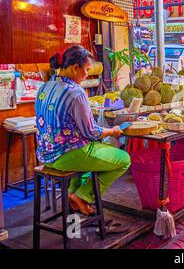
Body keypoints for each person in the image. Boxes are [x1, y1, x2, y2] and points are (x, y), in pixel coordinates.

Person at [35, 46, 131, 215]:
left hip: (44, 154)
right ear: (74, 68)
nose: (87, 74)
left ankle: (72, 193)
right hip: (67, 156)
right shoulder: (76, 93)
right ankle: (83, 196)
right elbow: (91, 132)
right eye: (86, 70)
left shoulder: (44, 87)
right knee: (123, 159)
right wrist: (112, 131)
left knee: (96, 155)